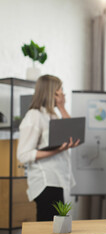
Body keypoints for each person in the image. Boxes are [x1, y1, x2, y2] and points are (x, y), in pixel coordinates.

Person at [17, 74, 80, 221]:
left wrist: (62, 107)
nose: (63, 93)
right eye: (60, 90)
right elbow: (23, 155)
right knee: (49, 229)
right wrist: (57, 150)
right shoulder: (34, 116)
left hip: (57, 180)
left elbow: (72, 131)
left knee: (59, 227)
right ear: (51, 92)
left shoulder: (52, 115)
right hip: (46, 181)